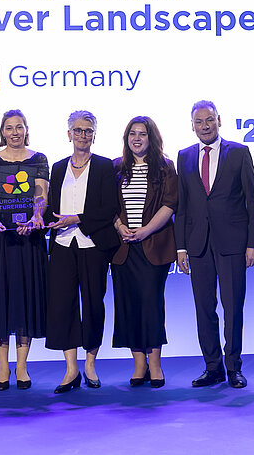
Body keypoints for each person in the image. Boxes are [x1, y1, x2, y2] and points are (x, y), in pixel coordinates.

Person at [175, 100, 254, 389]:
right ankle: (212, 368)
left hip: (233, 243)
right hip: (198, 244)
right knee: (204, 308)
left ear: (219, 120)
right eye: (199, 122)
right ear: (192, 126)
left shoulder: (239, 152)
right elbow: (183, 206)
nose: (205, 126)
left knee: (233, 307)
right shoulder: (184, 156)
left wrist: (253, 242)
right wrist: (181, 247)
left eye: (209, 120)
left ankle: (234, 367)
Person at [0, 110, 48, 390]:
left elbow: (41, 195)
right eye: (9, 128)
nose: (15, 132)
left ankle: (21, 366)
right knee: (0, 301)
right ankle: (3, 367)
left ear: (26, 130)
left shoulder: (39, 159)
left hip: (29, 241)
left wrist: (36, 217)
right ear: (2, 132)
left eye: (19, 127)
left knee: (25, 301)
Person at [45, 110, 120, 393]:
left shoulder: (104, 166)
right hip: (62, 245)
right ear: (69, 134)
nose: (83, 135)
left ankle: (90, 365)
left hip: (93, 244)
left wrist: (77, 218)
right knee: (63, 306)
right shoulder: (58, 167)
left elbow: (109, 208)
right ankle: (71, 369)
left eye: (88, 131)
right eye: (78, 130)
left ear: (94, 135)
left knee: (93, 304)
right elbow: (51, 206)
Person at [111, 116, 178, 388]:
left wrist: (146, 230)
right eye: (132, 134)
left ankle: (155, 365)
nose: (137, 139)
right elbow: (108, 205)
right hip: (123, 249)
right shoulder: (116, 167)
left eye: (142, 134)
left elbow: (170, 204)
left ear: (152, 138)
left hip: (153, 246)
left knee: (151, 305)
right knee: (128, 306)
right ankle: (139, 366)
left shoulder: (165, 167)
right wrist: (119, 227)